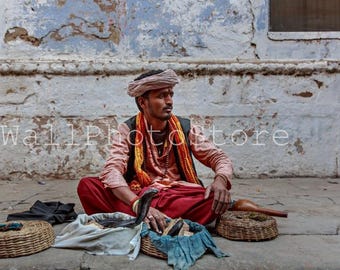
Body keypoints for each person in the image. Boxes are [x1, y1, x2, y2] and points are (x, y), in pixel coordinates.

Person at [77, 69, 233, 233]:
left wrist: (220, 180)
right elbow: (112, 170)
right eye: (161, 96)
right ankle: (157, 219)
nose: (170, 101)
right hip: (138, 194)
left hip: (175, 195)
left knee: (211, 198)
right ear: (143, 102)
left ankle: (139, 220)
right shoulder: (128, 130)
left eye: (170, 95)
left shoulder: (186, 128)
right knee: (87, 186)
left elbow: (218, 157)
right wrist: (138, 205)